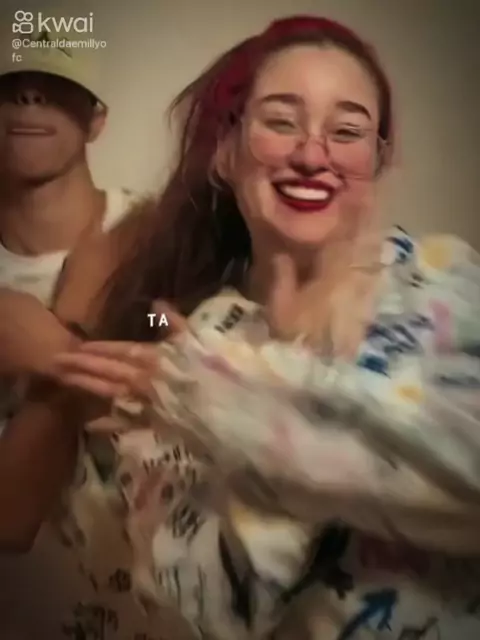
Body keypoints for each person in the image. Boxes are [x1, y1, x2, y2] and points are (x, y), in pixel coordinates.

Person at [14, 14, 480, 640]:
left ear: (379, 157)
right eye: (281, 122)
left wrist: (242, 394)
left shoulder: (442, 279)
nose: (312, 154)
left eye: (347, 131)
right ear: (224, 153)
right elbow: (216, 607)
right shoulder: (194, 333)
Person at [0, 27, 194, 640]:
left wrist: (101, 329)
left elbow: (172, 326)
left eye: (52, 87)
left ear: (97, 119)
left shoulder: (158, 234)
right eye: (10, 86)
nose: (29, 98)